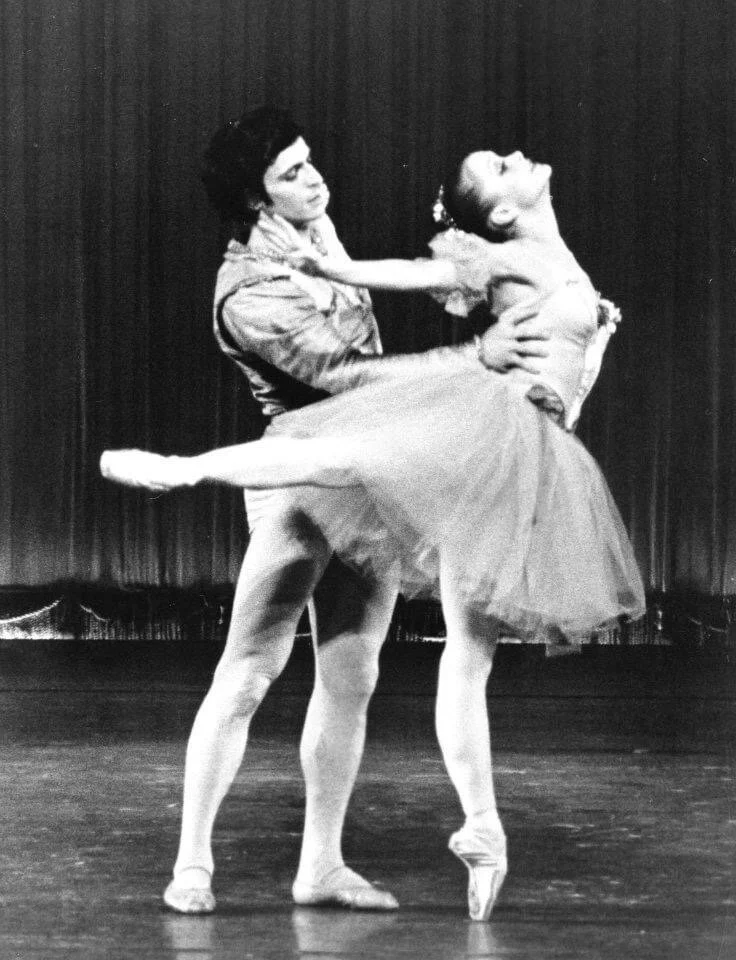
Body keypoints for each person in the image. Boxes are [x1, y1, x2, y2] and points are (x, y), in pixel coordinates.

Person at [102, 145, 645, 922]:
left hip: (384, 476)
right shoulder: (246, 291)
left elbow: (394, 306)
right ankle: (193, 860)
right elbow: (345, 377)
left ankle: (321, 863)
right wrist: (473, 354)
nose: (315, 178)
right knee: (252, 669)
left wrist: (578, 343)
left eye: (311, 161)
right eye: (291, 173)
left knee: (353, 676)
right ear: (256, 202)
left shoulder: (324, 234)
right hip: (292, 471)